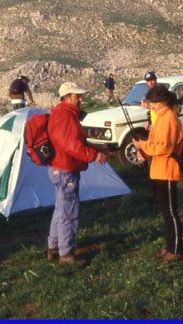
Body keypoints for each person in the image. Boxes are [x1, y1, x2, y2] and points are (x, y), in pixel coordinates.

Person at [46, 82, 109, 265]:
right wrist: (94, 155)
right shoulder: (66, 116)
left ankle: (54, 247)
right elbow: (71, 145)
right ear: (66, 97)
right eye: (77, 96)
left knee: (61, 209)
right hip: (66, 170)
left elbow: (71, 141)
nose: (81, 100)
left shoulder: (61, 114)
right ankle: (65, 254)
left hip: (59, 168)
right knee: (69, 212)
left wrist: (95, 147)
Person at [133, 85, 183, 262]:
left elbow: (165, 147)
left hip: (168, 171)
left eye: (154, 102)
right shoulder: (162, 118)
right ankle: (171, 247)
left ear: (163, 101)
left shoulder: (169, 119)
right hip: (160, 170)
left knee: (170, 212)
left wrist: (144, 146)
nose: (151, 105)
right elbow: (158, 143)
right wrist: (145, 151)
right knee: (166, 211)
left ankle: (176, 249)